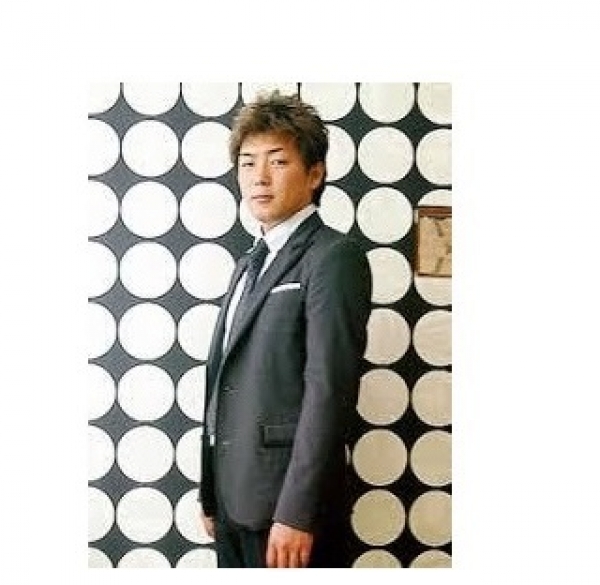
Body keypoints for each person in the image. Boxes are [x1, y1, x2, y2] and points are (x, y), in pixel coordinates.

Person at [198, 90, 372, 568]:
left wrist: (298, 512)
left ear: (315, 174)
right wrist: (210, 493)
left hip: (287, 512)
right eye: (247, 163)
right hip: (232, 504)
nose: (259, 176)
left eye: (277, 161)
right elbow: (222, 385)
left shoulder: (334, 258)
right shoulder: (247, 263)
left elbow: (329, 391)